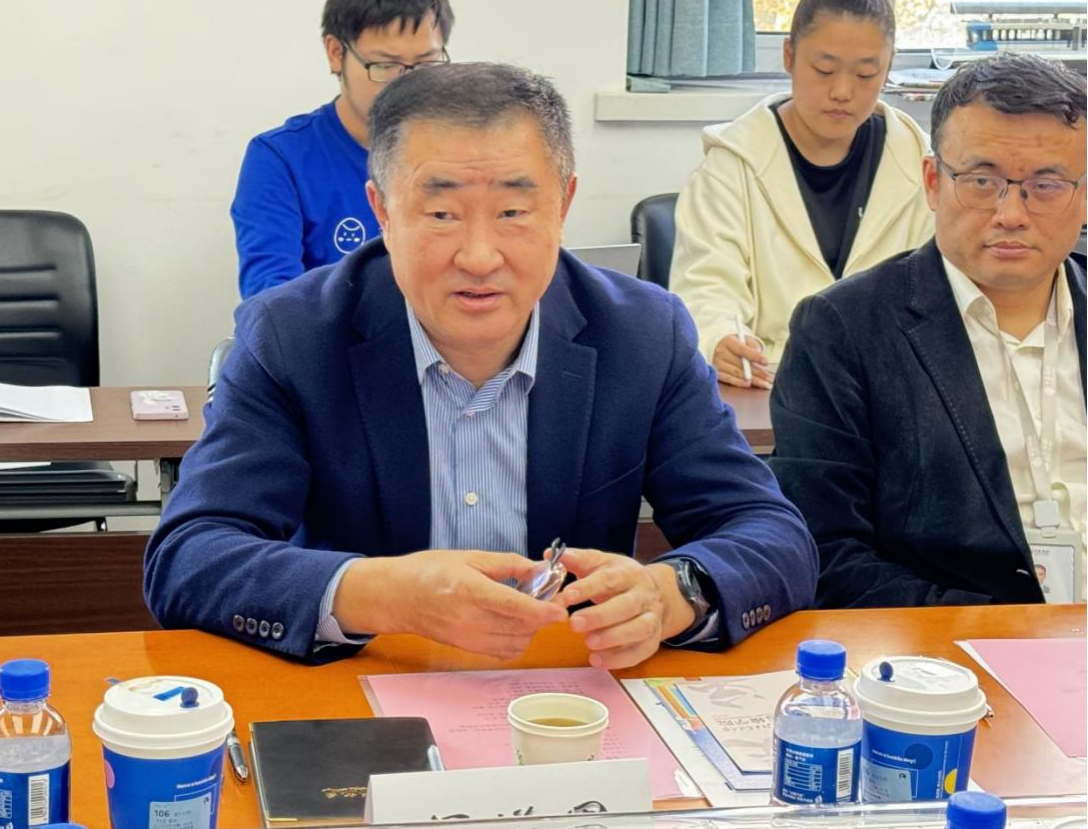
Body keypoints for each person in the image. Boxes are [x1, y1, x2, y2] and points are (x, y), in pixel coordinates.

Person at [146, 63, 818, 666]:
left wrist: (674, 592)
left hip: (569, 697)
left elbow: (772, 533)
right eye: (441, 213)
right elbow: (189, 555)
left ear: (563, 205)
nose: (478, 256)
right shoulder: (293, 336)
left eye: (513, 211)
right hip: (364, 692)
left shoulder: (642, 334)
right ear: (383, 210)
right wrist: (384, 593)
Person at [769, 54, 1086, 607]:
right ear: (934, 182)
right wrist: (1010, 635)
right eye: (982, 181)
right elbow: (824, 554)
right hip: (949, 645)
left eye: (1047, 184)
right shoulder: (844, 329)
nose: (1012, 213)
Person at [670, 0, 932, 389]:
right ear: (789, 55)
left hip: (890, 390)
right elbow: (705, 290)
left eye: (866, 73)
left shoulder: (920, 165)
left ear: (888, 66)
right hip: (771, 383)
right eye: (824, 70)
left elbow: (942, 294)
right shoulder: (731, 167)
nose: (842, 91)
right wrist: (720, 339)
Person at [230, 0, 454, 299]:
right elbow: (270, 301)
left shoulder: (464, 153)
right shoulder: (281, 158)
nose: (408, 86)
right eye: (385, 66)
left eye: (426, 65)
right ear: (336, 52)